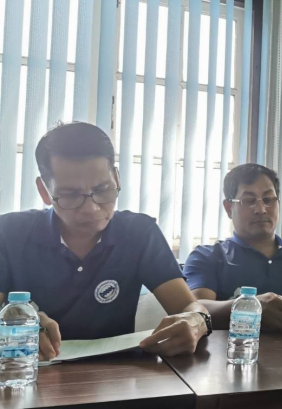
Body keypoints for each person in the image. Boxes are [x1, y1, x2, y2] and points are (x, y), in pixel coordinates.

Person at [0, 123, 212, 360]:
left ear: (117, 179)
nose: (91, 209)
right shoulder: (10, 233)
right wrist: (15, 322)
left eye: (102, 190)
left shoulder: (139, 232)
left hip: (118, 374)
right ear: (44, 191)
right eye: (71, 195)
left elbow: (188, 307)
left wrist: (197, 321)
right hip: (27, 370)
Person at [184, 164, 282, 333]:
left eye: (268, 200)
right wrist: (249, 307)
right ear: (229, 208)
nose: (261, 210)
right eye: (249, 201)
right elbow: (196, 310)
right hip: (237, 349)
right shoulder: (208, 257)